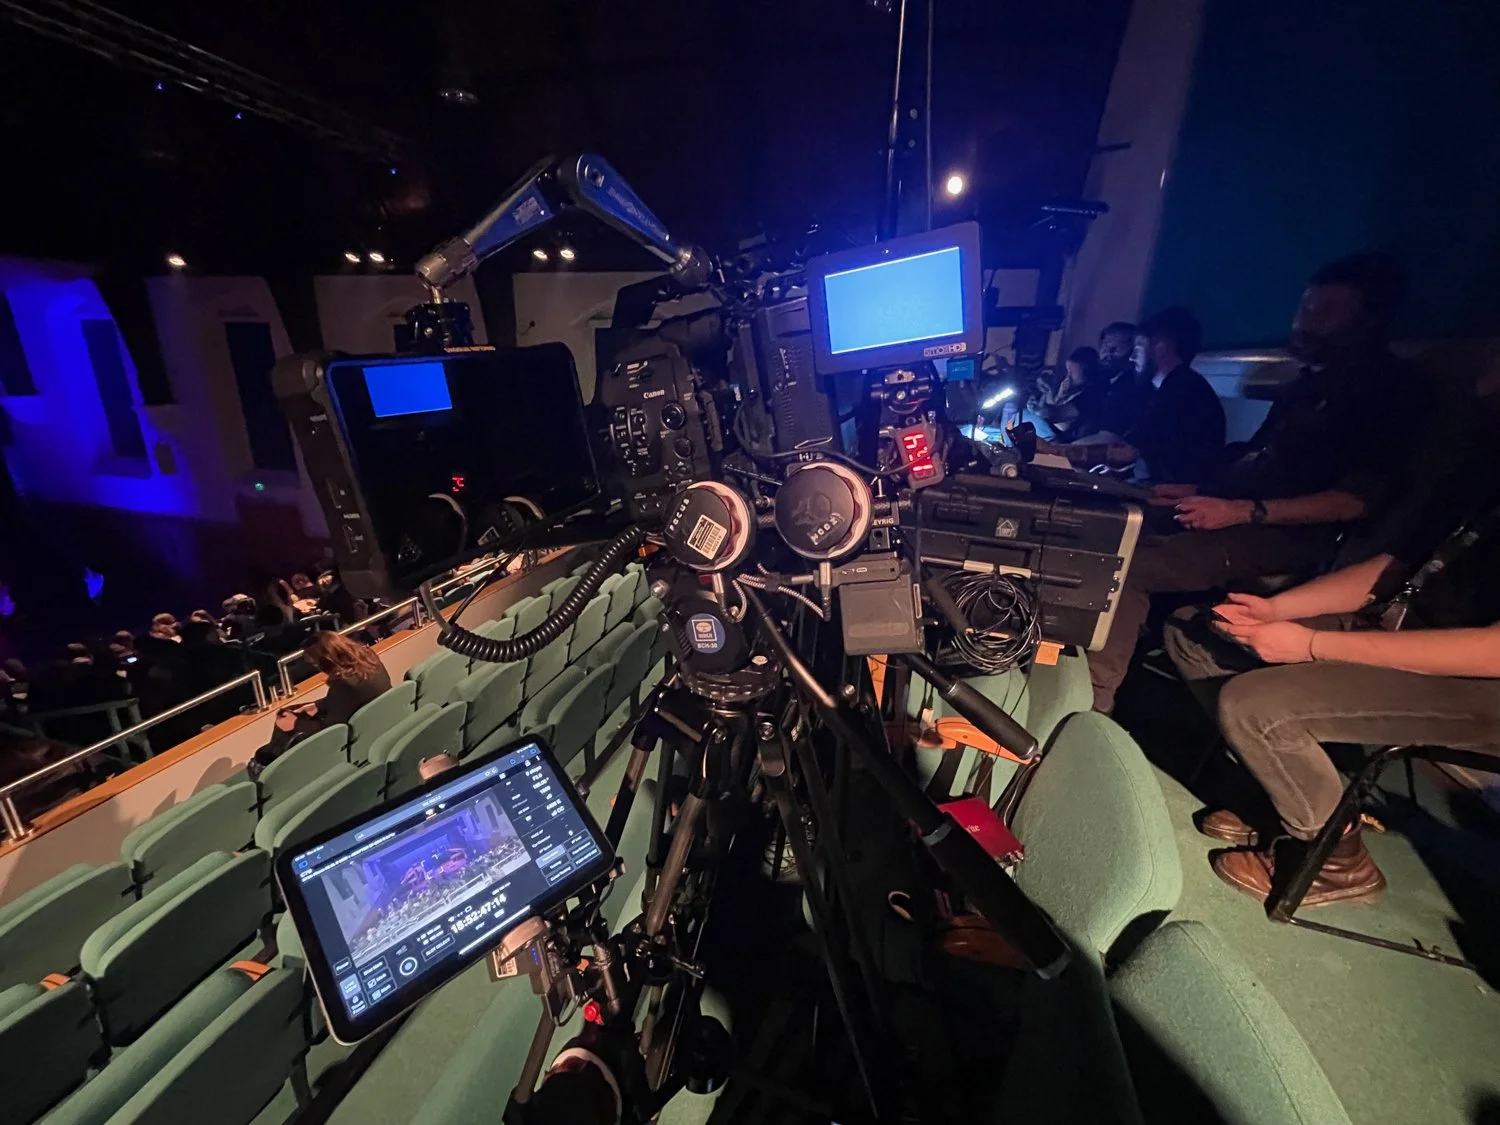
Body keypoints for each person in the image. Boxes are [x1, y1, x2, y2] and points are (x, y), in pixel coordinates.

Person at [1163, 395, 1500, 905]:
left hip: (1481, 686)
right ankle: (1285, 798)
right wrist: (1276, 612)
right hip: (1401, 628)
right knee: (1195, 631)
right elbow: (1392, 572)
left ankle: (1336, 860)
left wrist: (1314, 645)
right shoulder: (1482, 471)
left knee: (1257, 708)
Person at [1088, 253, 1424, 713]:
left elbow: (1357, 500)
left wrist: (1244, 512)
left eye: (1324, 313)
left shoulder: (1391, 390)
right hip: (1241, 513)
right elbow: (1253, 462)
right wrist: (1194, 490)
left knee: (1131, 566)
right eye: (1305, 308)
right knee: (1108, 523)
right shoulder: (1303, 388)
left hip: (1294, 538)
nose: (1304, 322)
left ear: (1367, 322)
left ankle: (1088, 708)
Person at [1042, 307, 1225, 487]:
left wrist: (1052, 451)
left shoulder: (1182, 393)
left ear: (1160, 348)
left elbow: (1125, 451)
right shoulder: (1173, 388)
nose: (1132, 358)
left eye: (1137, 350)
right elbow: (1139, 452)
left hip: (1169, 500)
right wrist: (1118, 472)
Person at [249, 631, 390, 777]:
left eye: (314, 662)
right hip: (377, 718)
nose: (315, 666)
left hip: (349, 736)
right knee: (291, 710)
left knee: (284, 721)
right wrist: (317, 705)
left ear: (326, 660)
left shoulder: (343, 685)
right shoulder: (369, 657)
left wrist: (296, 724)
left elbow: (332, 730)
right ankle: (271, 758)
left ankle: (270, 767)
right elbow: (349, 701)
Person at [1087, 320, 1152, 439]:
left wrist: (1060, 450)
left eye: (1116, 348)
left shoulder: (1129, 388)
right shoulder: (1099, 383)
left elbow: (1108, 438)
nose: (1108, 354)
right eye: (1104, 347)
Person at [1029, 346, 1106, 441]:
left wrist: (1035, 408)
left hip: (1074, 445)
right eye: (1067, 371)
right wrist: (1048, 392)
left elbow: (1053, 414)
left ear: (1087, 372)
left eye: (1072, 372)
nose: (1068, 376)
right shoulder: (1074, 389)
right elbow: (1056, 415)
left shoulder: (1090, 395)